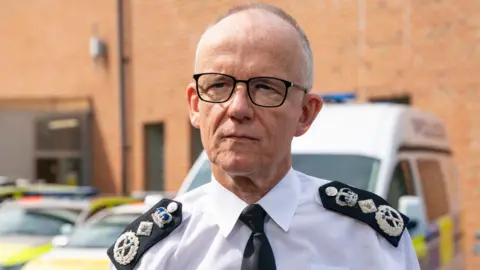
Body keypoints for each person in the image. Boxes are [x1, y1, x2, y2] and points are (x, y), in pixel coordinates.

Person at [107, 2, 421, 270]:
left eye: (265, 87)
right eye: (218, 86)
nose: (238, 108)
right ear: (194, 105)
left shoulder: (370, 244)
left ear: (305, 113)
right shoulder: (154, 255)